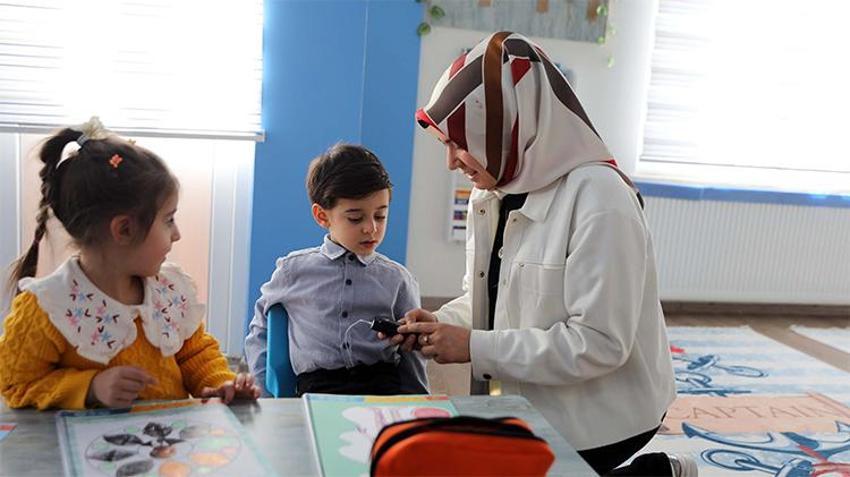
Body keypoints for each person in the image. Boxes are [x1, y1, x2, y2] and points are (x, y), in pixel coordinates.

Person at [395, 32, 696, 476]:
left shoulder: (601, 199)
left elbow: (599, 344)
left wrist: (473, 345)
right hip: (521, 397)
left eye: (458, 142)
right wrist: (443, 324)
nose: (452, 161)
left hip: (602, 416)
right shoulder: (495, 191)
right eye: (446, 144)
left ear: (503, 125)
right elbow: (490, 302)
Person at [0, 117, 261, 409]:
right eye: (168, 220)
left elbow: (193, 353)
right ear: (124, 230)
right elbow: (15, 384)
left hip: (168, 447)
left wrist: (218, 383)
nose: (177, 234)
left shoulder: (167, 289)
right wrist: (90, 388)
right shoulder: (50, 306)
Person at [245, 143, 428, 397]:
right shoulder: (292, 271)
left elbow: (412, 353)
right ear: (322, 216)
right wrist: (264, 393)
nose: (371, 228)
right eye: (355, 218)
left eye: (380, 216)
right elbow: (261, 332)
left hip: (381, 392)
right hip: (316, 392)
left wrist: (418, 403)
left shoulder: (398, 280)